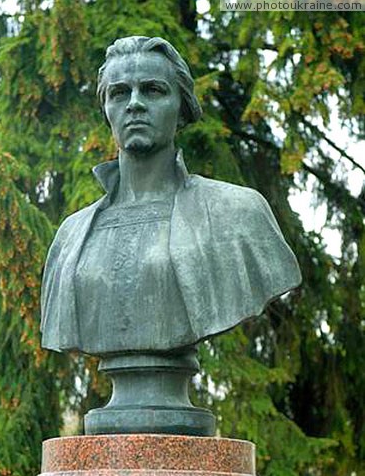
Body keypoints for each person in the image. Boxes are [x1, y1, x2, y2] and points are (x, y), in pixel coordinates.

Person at [40, 36, 302, 357]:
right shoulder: (70, 235)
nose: (134, 104)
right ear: (106, 111)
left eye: (153, 90)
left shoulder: (237, 213)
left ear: (182, 109)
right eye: (119, 93)